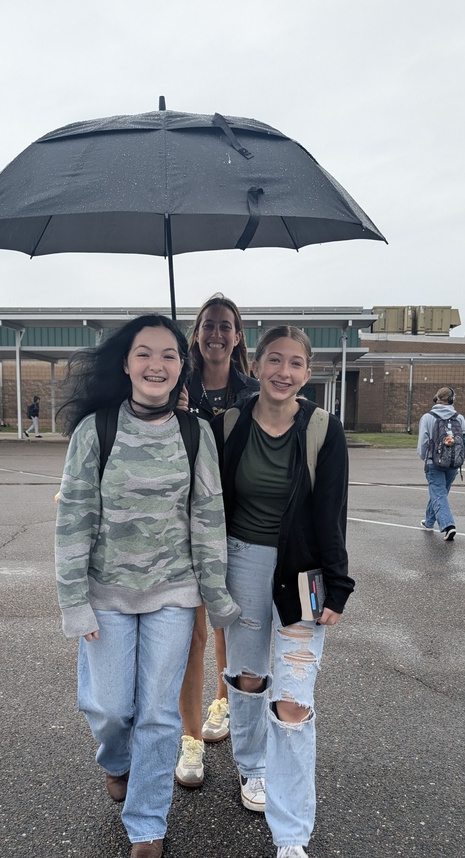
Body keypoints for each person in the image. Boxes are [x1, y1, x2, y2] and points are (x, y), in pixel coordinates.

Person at [54, 314, 239, 858]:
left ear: (181, 366)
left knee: (158, 714)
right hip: (107, 594)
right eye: (144, 353)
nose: (156, 364)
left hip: (173, 594)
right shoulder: (96, 430)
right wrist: (72, 599)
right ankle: (115, 759)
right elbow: (74, 519)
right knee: (111, 707)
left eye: (167, 355)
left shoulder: (194, 434)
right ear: (126, 363)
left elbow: (208, 518)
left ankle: (147, 820)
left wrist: (216, 593)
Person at [212, 325, 354, 858]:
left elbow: (333, 511)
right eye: (275, 359)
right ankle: (251, 768)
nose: (284, 372)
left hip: (303, 574)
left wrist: (338, 584)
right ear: (259, 362)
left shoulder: (323, 429)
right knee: (248, 677)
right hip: (241, 564)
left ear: (307, 372)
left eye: (296, 363)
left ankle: (292, 838)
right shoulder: (229, 424)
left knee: (294, 702)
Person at [174, 294, 259, 790]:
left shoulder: (251, 392)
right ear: (196, 332)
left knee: (230, 624)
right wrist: (175, 412)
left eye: (226, 326)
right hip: (186, 520)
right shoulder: (176, 386)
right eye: (208, 325)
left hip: (239, 521)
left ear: (238, 335)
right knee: (194, 633)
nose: (216, 334)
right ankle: (190, 739)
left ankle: (223, 703)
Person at [417, 386, 465, 541]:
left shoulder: (428, 417)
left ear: (436, 399)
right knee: (440, 493)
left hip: (434, 462)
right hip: (453, 464)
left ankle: (448, 526)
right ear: (452, 400)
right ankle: (429, 521)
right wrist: (460, 458)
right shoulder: (459, 418)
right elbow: (464, 440)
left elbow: (423, 442)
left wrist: (424, 457)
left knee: (438, 493)